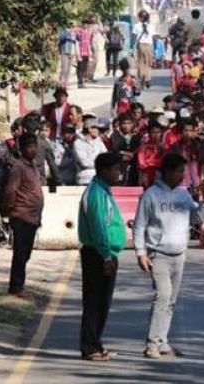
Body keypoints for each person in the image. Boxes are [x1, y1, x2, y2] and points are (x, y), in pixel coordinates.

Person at [133, 153, 204, 358]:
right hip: (159, 254)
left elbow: (198, 218)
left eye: (184, 172)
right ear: (167, 171)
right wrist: (141, 253)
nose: (182, 176)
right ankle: (151, 344)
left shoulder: (184, 195)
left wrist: (203, 200)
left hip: (180, 254)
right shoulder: (151, 195)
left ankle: (162, 339)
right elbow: (139, 225)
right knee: (162, 297)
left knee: (172, 300)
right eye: (179, 172)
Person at [77, 152, 127, 361]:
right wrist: (106, 255)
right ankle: (89, 347)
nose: (119, 173)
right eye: (116, 169)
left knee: (102, 302)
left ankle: (96, 343)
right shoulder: (96, 193)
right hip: (98, 254)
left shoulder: (104, 191)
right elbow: (99, 227)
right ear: (104, 171)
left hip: (106, 253)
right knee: (94, 301)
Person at [2, 134, 43, 298]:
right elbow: (11, 191)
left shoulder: (33, 166)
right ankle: (16, 287)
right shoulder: (18, 167)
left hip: (33, 217)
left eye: (35, 146)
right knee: (20, 253)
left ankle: (19, 284)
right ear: (22, 148)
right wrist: (10, 209)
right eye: (29, 146)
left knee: (26, 253)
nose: (33, 149)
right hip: (21, 215)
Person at [74, 118, 108, 185]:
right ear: (89, 129)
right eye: (96, 128)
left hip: (99, 179)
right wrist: (100, 163)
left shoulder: (99, 142)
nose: (98, 130)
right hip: (84, 180)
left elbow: (106, 159)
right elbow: (85, 163)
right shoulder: (78, 143)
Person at [109, 114, 140, 186]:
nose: (126, 126)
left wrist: (132, 155)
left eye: (129, 123)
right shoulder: (114, 136)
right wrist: (130, 154)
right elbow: (116, 151)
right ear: (120, 124)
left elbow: (139, 151)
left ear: (132, 124)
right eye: (124, 123)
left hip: (134, 169)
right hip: (120, 168)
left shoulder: (137, 137)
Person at [133, 10, 154, 89]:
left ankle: (142, 77)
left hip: (140, 45)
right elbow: (154, 37)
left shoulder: (136, 26)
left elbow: (133, 37)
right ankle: (148, 78)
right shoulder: (151, 26)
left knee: (141, 63)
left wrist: (132, 47)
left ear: (140, 17)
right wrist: (154, 49)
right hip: (149, 45)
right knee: (148, 63)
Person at [75, 19, 93, 88]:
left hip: (86, 53)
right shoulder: (79, 32)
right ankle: (80, 82)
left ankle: (82, 81)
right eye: (84, 24)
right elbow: (77, 43)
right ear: (82, 24)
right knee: (80, 67)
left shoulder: (88, 32)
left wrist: (90, 55)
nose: (86, 25)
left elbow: (89, 44)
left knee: (84, 68)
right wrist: (78, 54)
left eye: (87, 24)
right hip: (80, 52)